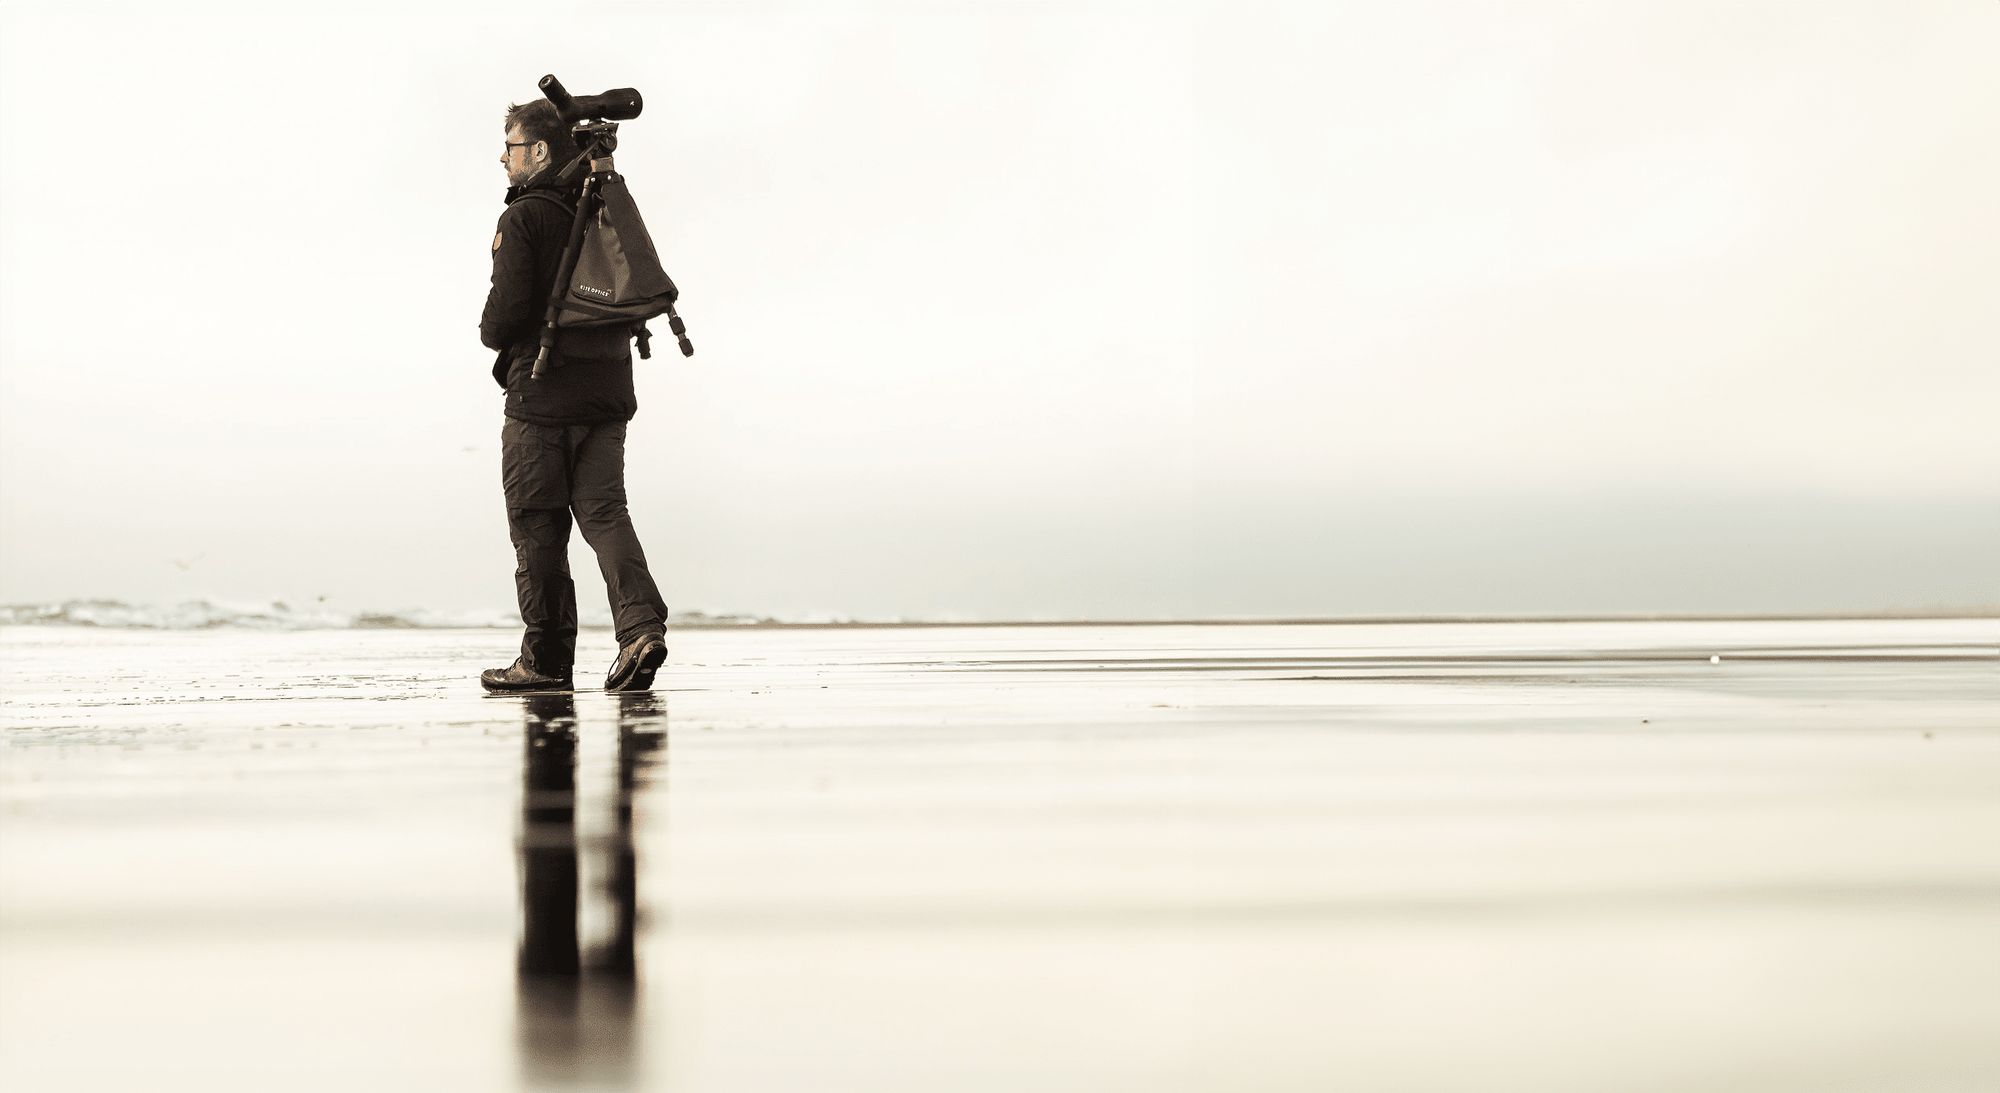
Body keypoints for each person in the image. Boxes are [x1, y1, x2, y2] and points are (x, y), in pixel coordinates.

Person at [478, 99, 669, 693]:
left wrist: (489, 331)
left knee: (538, 526)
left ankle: (546, 661)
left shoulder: (525, 216)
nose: (502, 158)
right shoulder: (601, 209)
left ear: (538, 151)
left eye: (510, 147)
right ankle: (641, 630)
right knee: (606, 514)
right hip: (608, 393)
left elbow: (503, 318)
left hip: (541, 399)